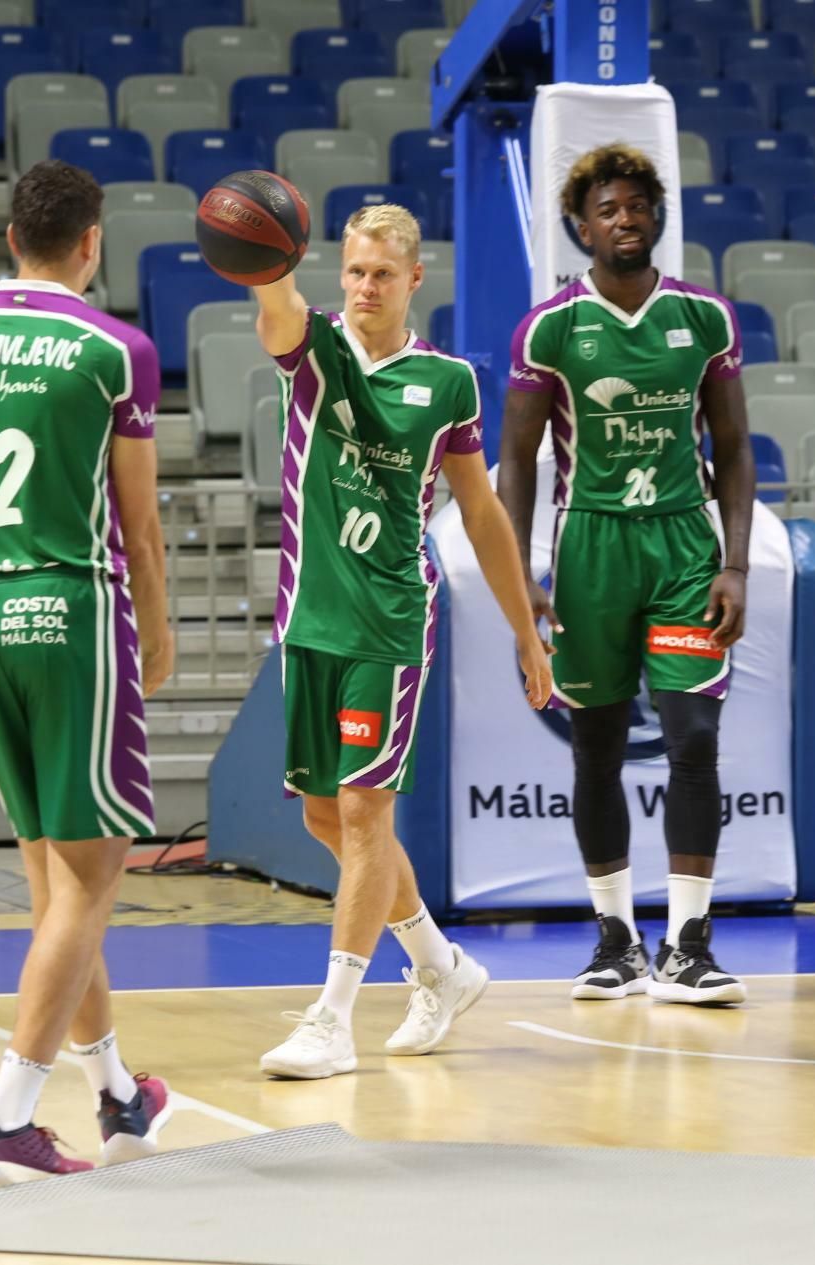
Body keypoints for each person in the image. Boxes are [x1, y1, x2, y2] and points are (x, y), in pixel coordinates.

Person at [247, 202, 553, 1079]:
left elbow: (483, 511)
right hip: (309, 617)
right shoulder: (313, 351)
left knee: (363, 810)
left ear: (415, 279)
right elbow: (276, 309)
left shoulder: (449, 381)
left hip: (388, 617)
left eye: (382, 274)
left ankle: (332, 1019)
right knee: (321, 814)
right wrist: (267, 262)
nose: (365, 287)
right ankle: (440, 967)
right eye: (353, 271)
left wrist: (526, 630)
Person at [0, 160, 176, 1185]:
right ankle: (7, 1118)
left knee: (57, 879)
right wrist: (157, 636)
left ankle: (115, 1094)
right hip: (68, 607)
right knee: (94, 872)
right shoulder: (116, 349)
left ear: (10, 238)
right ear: (90, 241)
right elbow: (142, 526)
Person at [496, 143, 755, 1007]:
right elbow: (518, 461)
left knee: (694, 739)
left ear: (658, 218)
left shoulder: (707, 318)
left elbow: (736, 446)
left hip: (683, 547)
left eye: (639, 205)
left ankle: (689, 944)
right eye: (608, 208)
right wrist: (519, 581)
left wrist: (736, 563)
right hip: (588, 551)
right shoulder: (551, 328)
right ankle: (616, 940)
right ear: (581, 227)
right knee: (598, 749)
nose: (626, 217)